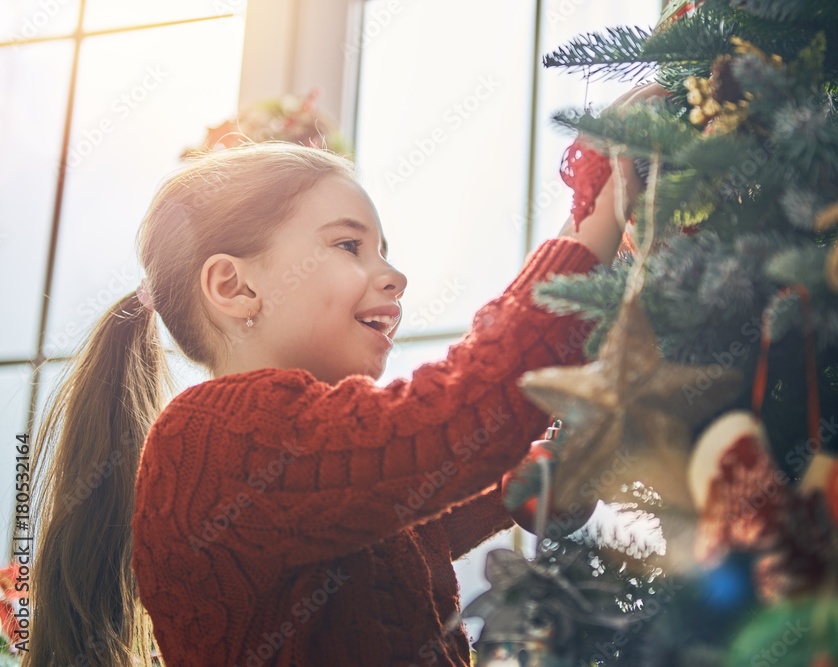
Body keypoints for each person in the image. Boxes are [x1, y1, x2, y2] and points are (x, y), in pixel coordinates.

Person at [25, 83, 664, 667]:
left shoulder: (318, 468)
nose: (393, 275)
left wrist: (545, 467)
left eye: (384, 250)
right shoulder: (219, 435)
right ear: (235, 286)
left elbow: (462, 471)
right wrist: (594, 209)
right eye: (349, 245)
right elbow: (459, 415)